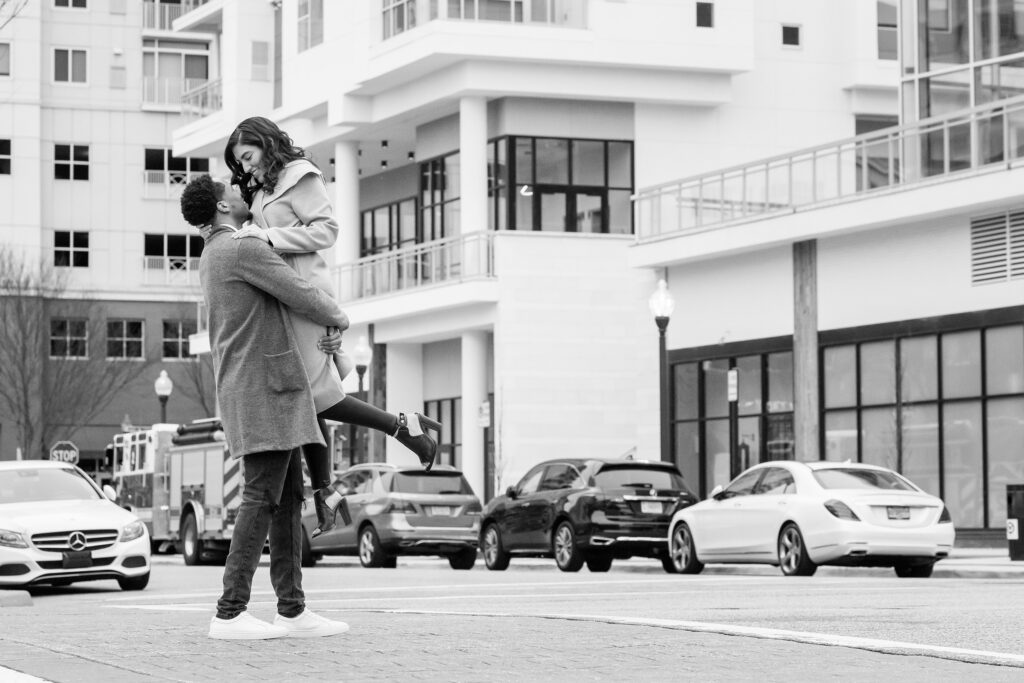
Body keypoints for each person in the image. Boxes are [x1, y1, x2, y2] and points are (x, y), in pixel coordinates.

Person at [224, 116, 440, 538]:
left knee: (314, 394)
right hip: (283, 296)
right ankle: (330, 488)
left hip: (304, 293)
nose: (245, 168)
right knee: (308, 395)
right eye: (240, 164)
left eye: (247, 157)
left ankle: (395, 432)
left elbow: (327, 230)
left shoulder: (300, 175)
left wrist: (270, 238)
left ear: (265, 144)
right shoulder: (265, 185)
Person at [180, 174, 350, 641]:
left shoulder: (212, 254)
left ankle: (292, 609)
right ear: (220, 207)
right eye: (231, 192)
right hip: (265, 392)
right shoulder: (241, 248)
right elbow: (300, 292)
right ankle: (229, 612)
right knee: (260, 497)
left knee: (287, 498)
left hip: (259, 388)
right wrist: (340, 318)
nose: (241, 194)